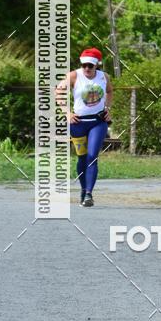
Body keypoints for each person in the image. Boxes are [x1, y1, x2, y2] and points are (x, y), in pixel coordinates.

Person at [56, 48, 112, 207]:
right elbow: (58, 92)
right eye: (84, 65)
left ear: (97, 65)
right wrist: (67, 113)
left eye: (90, 65)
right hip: (78, 123)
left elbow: (109, 92)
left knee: (92, 156)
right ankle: (83, 189)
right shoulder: (73, 76)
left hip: (97, 122)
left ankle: (89, 194)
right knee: (82, 157)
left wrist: (107, 109)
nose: (87, 68)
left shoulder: (103, 77)